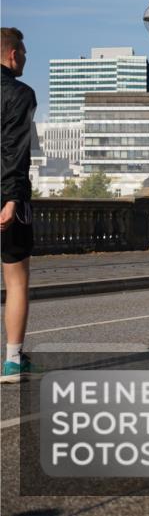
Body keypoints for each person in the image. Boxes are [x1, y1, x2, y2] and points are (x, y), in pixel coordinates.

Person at [1, 27, 37, 383]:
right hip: (6, 195)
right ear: (13, 54)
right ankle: (13, 361)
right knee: (15, 280)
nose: (25, 58)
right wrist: (12, 198)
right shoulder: (20, 94)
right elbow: (16, 148)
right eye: (24, 52)